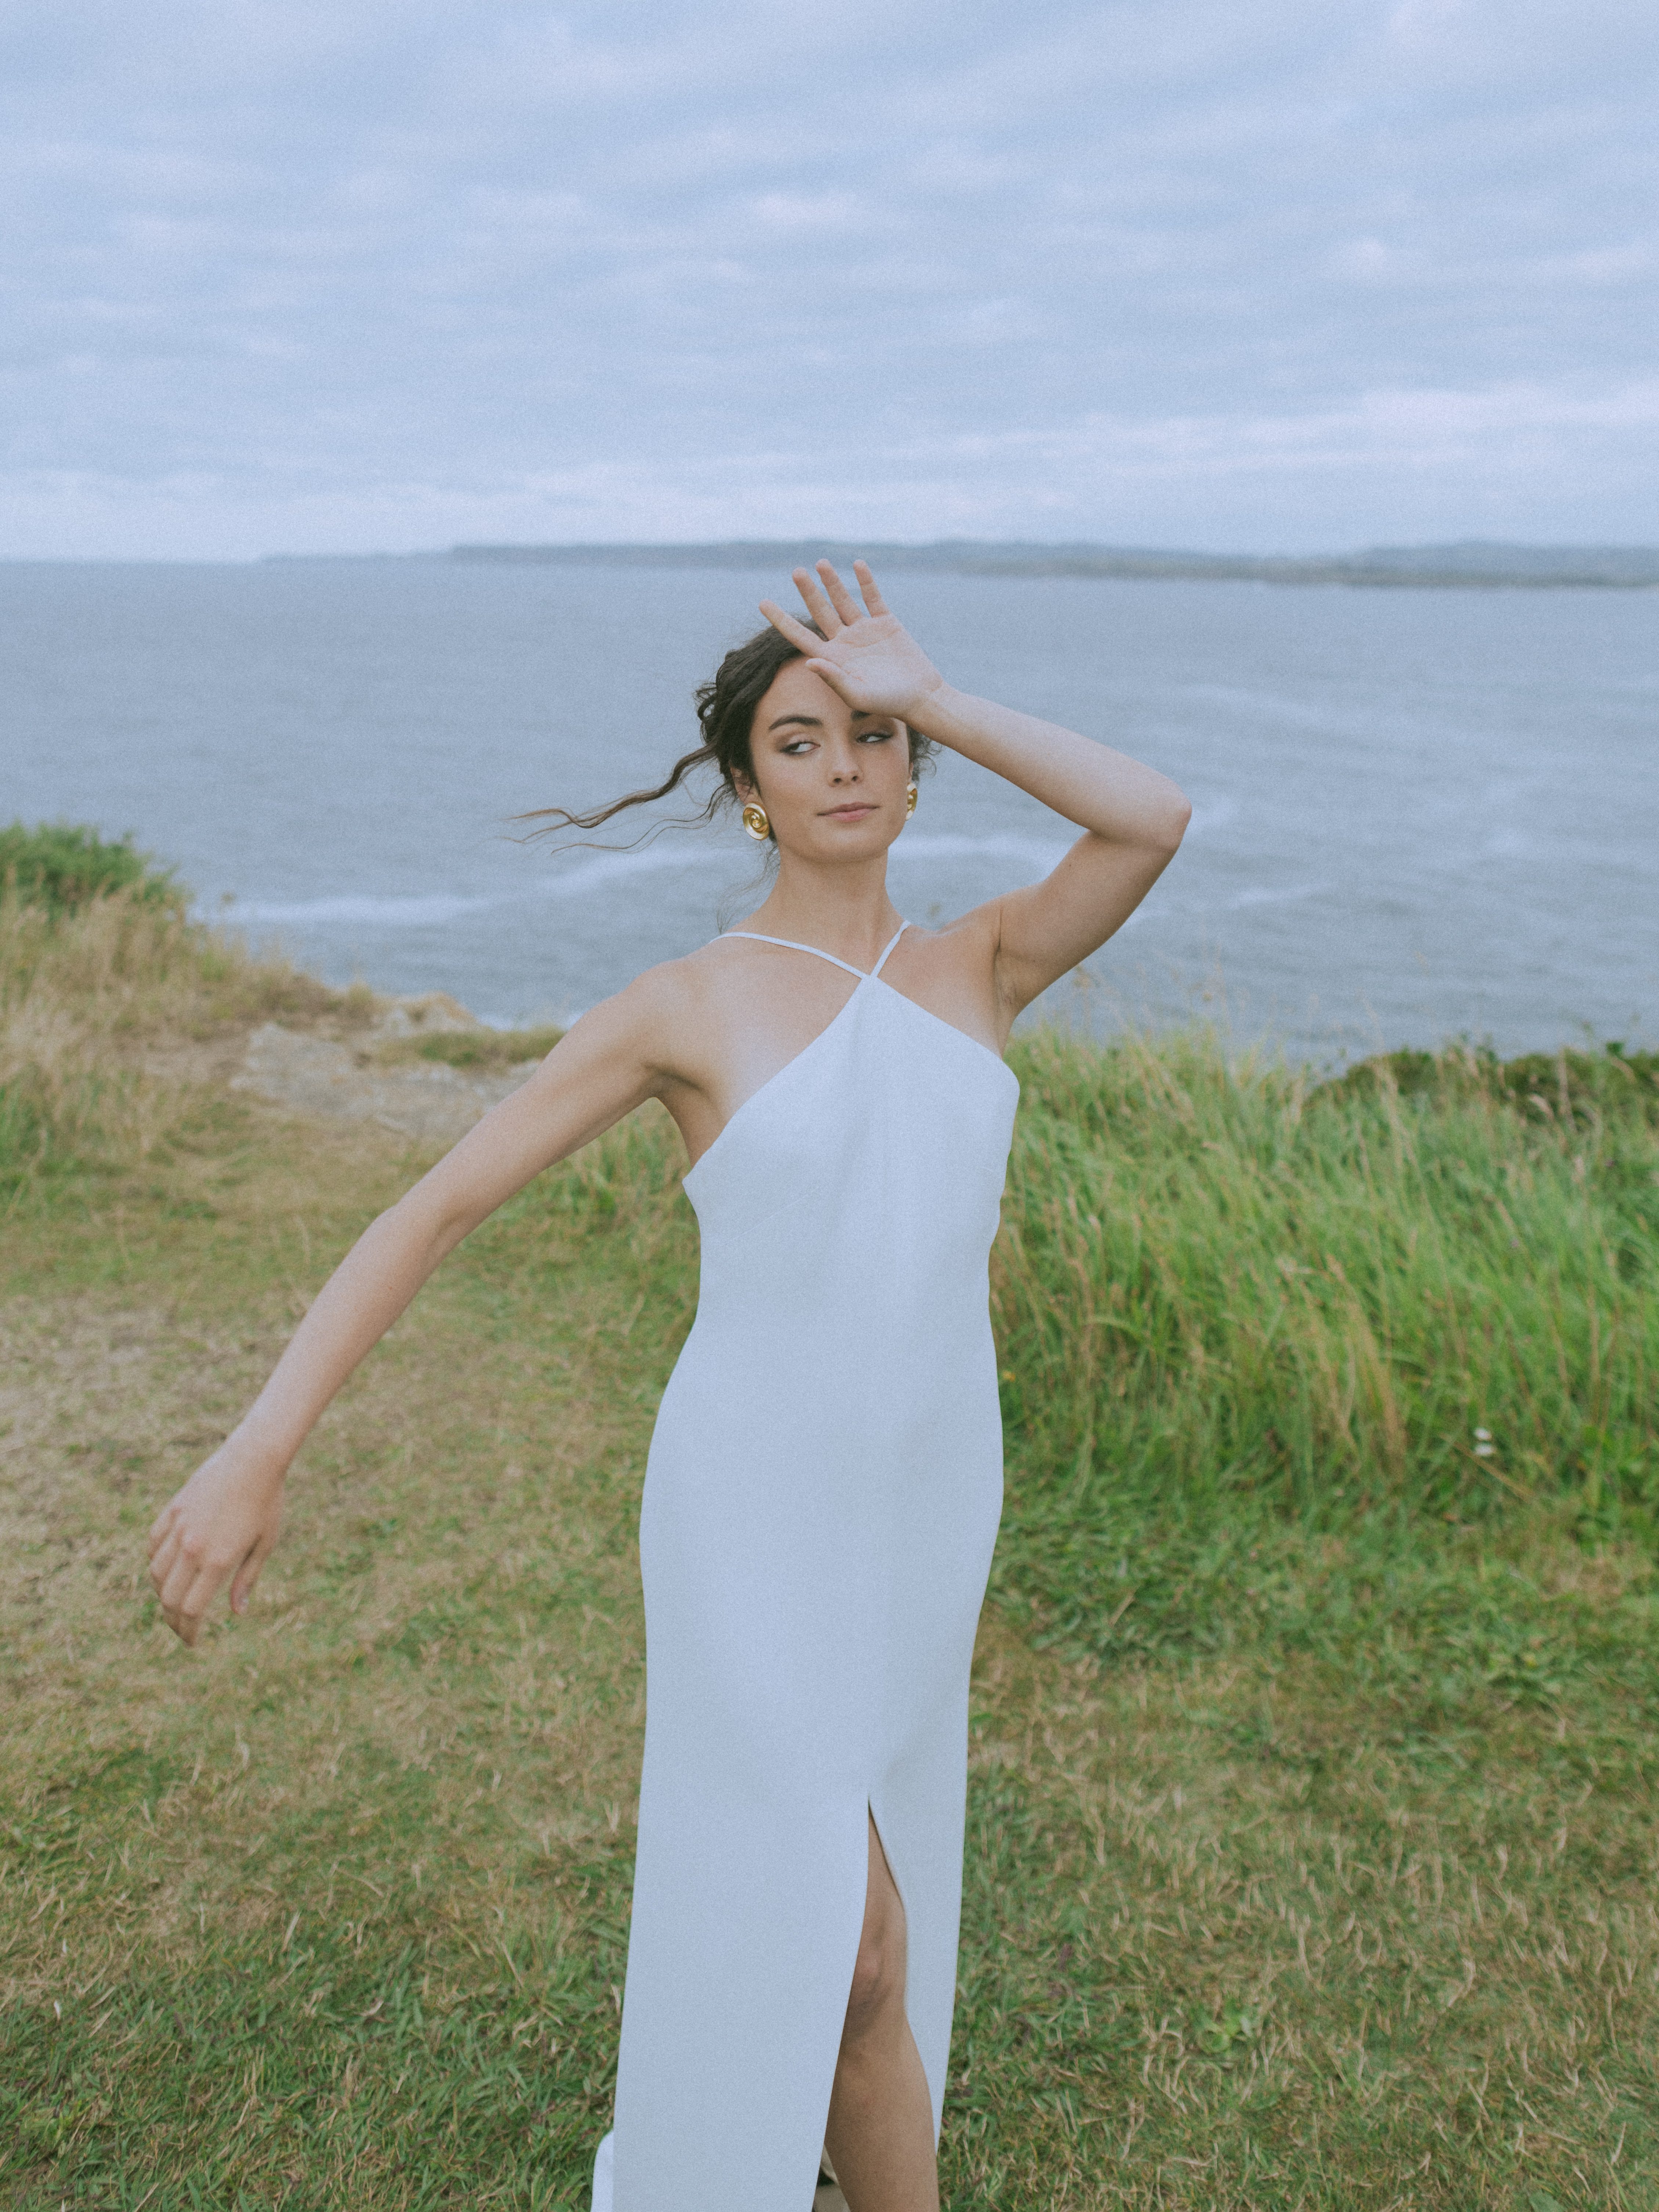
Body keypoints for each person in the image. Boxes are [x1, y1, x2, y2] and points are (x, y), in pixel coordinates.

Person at [146, 559, 1190, 2212]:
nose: (845, 765)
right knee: (847, 1947)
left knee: (877, 1927)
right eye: (800, 741)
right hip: (750, 1511)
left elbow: (1147, 817)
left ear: (915, 761)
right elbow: (438, 1205)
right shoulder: (684, 1007)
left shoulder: (980, 966)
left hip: (926, 1504)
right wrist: (257, 1448)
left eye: (872, 735)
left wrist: (938, 690)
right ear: (746, 789)